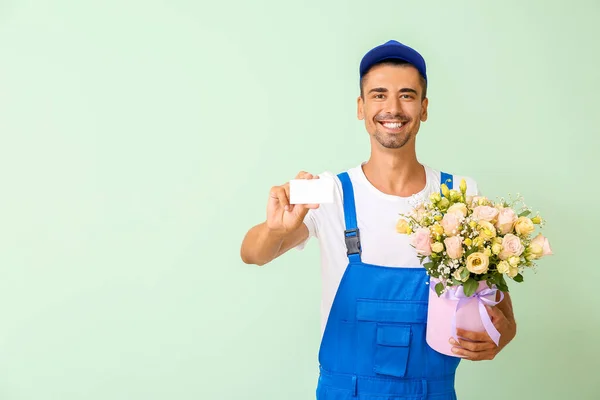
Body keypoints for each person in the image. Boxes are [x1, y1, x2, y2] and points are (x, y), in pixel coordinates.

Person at [240, 40, 517, 399]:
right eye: (379, 95)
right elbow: (253, 254)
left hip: (431, 391)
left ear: (424, 107)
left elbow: (499, 306)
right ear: (361, 106)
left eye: (406, 95)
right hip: (346, 391)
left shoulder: (461, 194)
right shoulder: (330, 192)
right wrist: (275, 229)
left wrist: (502, 334)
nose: (392, 108)